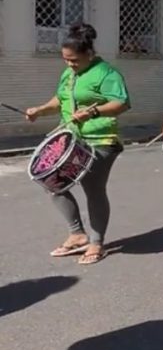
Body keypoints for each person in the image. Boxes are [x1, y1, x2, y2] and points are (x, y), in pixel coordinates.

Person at [25, 23, 130, 265]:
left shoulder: (106, 73)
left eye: (74, 60)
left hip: (100, 140)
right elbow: (60, 99)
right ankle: (77, 234)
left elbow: (121, 103)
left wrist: (93, 112)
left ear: (89, 54)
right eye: (65, 60)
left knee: (92, 188)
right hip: (70, 138)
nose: (69, 64)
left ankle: (96, 242)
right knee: (52, 181)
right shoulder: (69, 73)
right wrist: (40, 110)